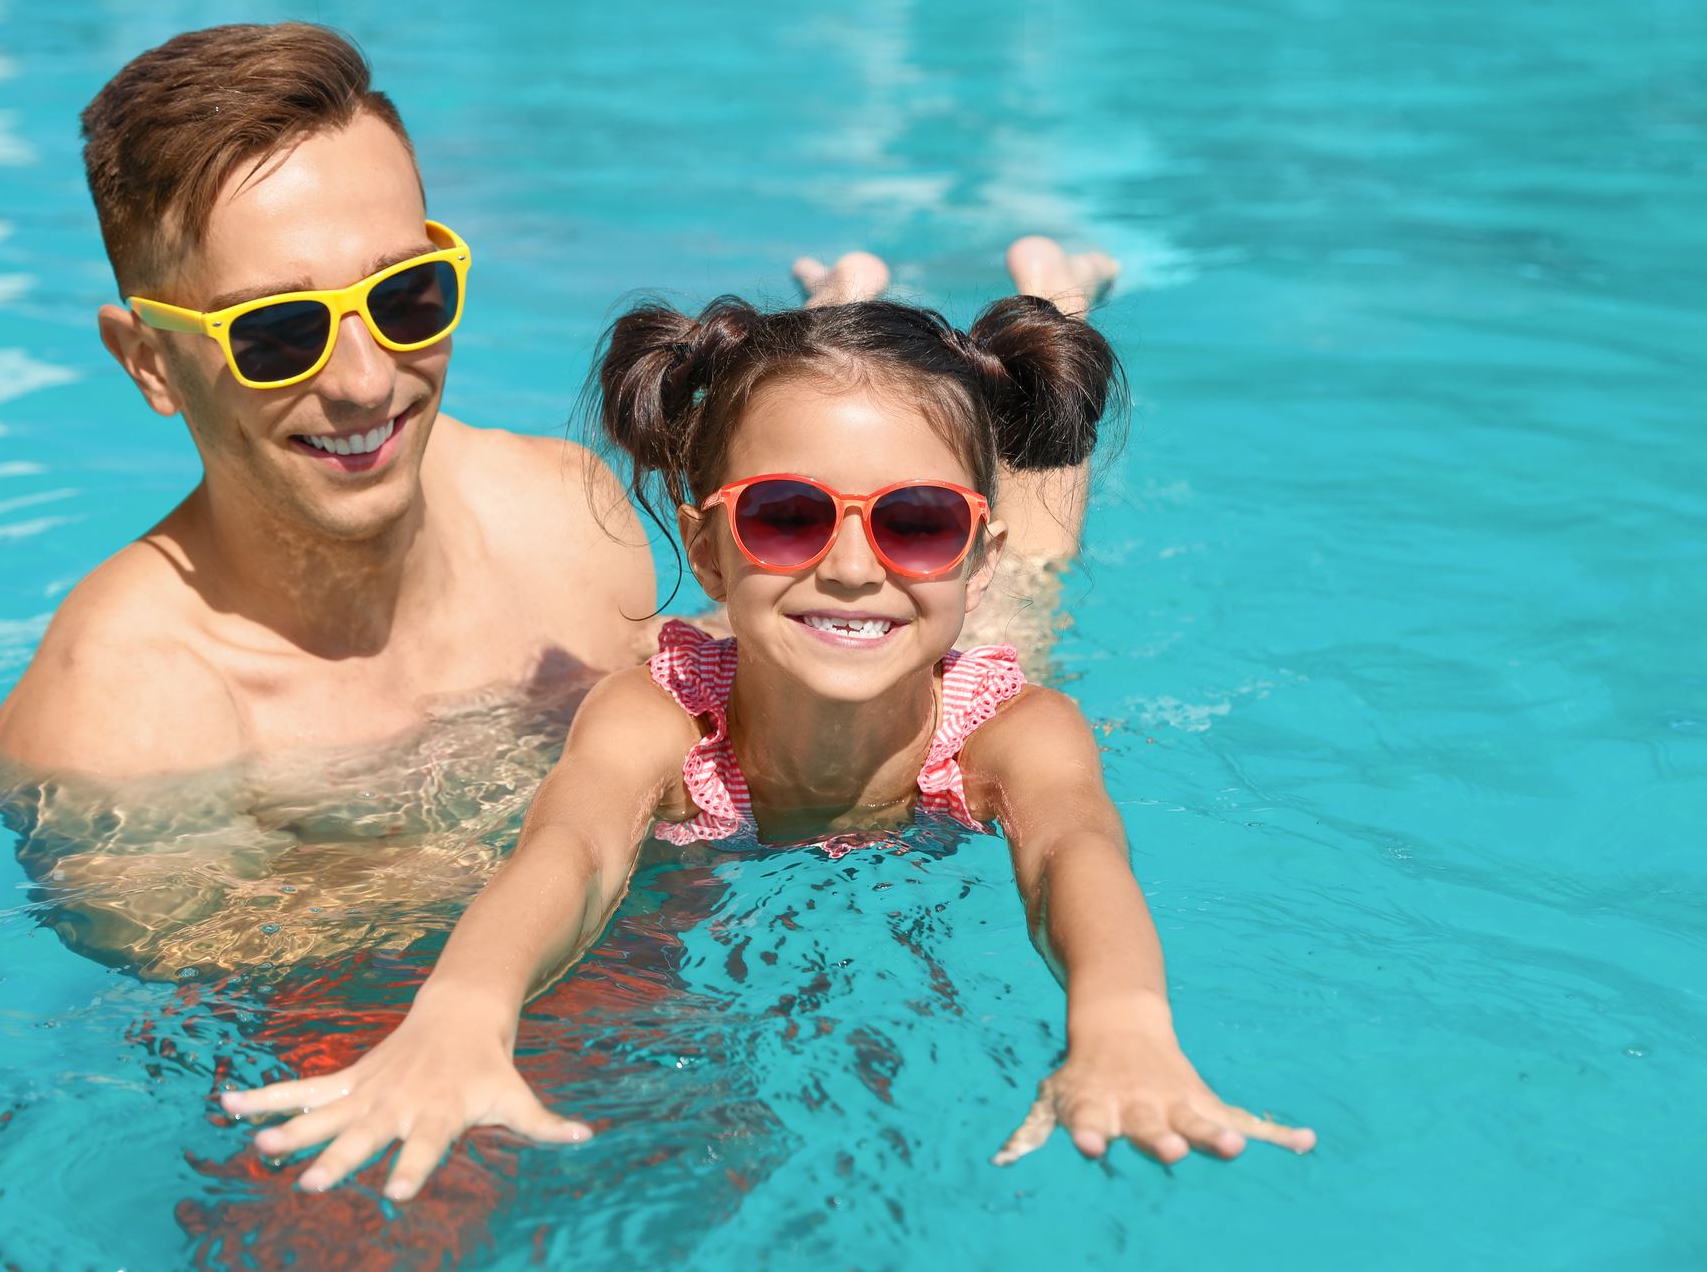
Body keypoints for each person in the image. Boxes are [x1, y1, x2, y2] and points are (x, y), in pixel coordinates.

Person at [0, 21, 1118, 979]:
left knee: (1004, 610)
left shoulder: (566, 516)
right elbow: (267, 996)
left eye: (406, 295)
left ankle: (1036, 312)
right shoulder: (117, 729)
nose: (366, 380)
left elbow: (826, 645)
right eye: (276, 333)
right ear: (150, 363)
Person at [218, 288, 1315, 1194]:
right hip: (790, 645)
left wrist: (1121, 1023)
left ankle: (1051, 312)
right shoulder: (660, 716)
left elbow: (1076, 851)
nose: (849, 562)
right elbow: (574, 848)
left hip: (933, 646)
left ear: (964, 554)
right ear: (705, 543)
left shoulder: (1007, 734)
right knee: (888, 541)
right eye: (785, 514)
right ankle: (876, 365)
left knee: (1040, 588)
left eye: (920, 520)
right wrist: (463, 1011)